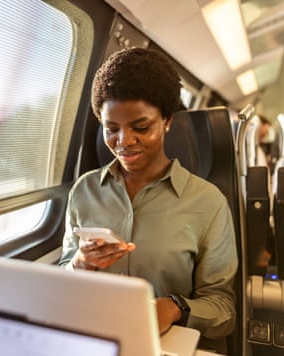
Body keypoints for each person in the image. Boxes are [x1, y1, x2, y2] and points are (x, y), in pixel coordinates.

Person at [58, 47, 238, 353]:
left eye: (141, 127)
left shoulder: (209, 203)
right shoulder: (84, 191)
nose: (124, 142)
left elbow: (223, 310)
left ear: (167, 120)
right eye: (111, 129)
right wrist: (80, 264)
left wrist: (174, 308)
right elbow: (60, 278)